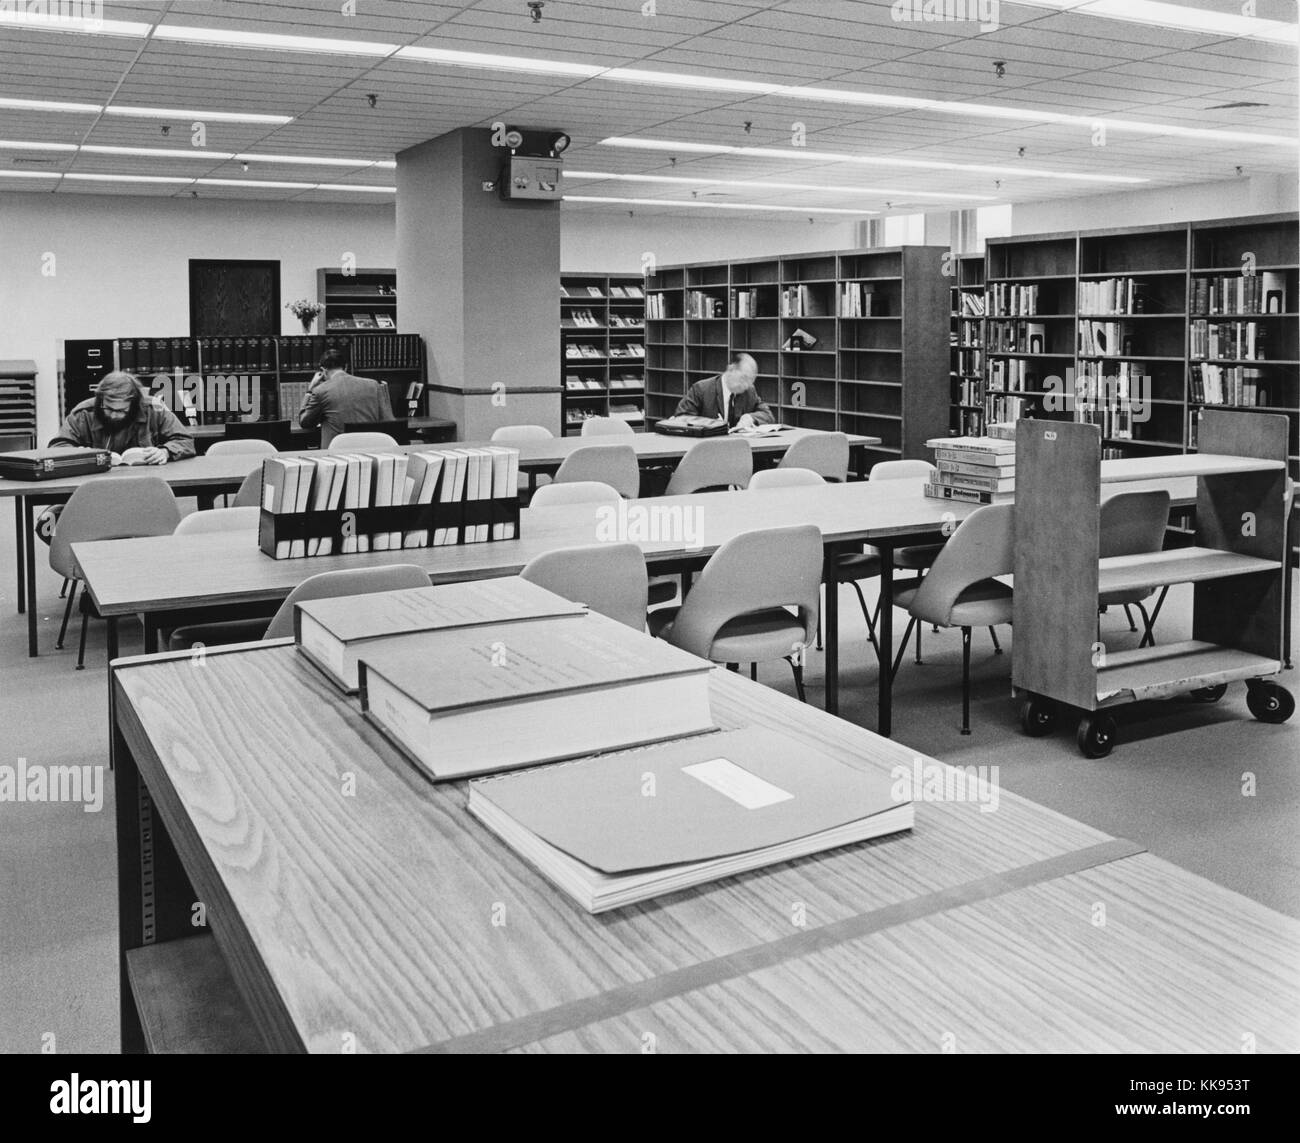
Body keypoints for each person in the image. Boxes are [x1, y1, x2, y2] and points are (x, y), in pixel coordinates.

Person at [50, 371, 195, 464]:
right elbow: (58, 446)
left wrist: (165, 451)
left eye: (121, 410)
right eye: (108, 408)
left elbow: (185, 440)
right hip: (95, 483)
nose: (113, 415)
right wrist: (77, 453)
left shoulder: (154, 408)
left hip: (146, 481)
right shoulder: (83, 413)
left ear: (134, 404)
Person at [298, 348, 392, 447]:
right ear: (346, 367)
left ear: (323, 371)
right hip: (370, 453)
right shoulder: (374, 385)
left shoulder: (320, 391)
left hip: (336, 457)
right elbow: (389, 421)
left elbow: (305, 422)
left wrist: (309, 390)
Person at [675, 352, 774, 430]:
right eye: (744, 378)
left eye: (751, 381)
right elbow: (681, 418)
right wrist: (711, 424)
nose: (747, 385)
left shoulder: (749, 392)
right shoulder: (701, 389)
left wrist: (750, 418)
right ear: (730, 370)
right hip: (706, 449)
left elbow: (768, 415)